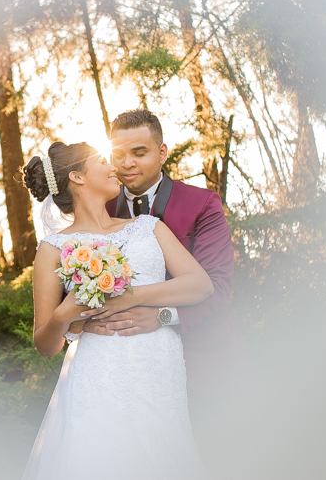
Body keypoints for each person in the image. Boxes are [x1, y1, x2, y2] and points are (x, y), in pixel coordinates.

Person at [20, 140, 212, 480]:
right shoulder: (53, 249)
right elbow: (44, 345)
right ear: (77, 176)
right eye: (102, 161)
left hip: (159, 366)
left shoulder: (148, 227)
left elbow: (200, 285)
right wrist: (66, 315)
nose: (115, 167)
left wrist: (132, 296)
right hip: (99, 375)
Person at [87, 109, 248, 457]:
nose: (127, 163)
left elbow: (217, 287)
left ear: (162, 153)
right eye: (118, 154)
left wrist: (160, 316)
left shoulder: (202, 203)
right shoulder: (99, 209)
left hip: (206, 367)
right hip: (131, 375)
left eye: (140, 152)